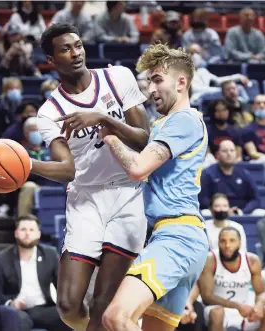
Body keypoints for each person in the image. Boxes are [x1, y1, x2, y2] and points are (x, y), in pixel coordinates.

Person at [32, 23, 149, 330]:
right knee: (69, 306)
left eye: (78, 45)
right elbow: (67, 170)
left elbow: (144, 140)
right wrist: (25, 165)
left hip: (128, 193)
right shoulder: (49, 112)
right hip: (85, 198)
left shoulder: (117, 77)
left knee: (101, 305)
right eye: (65, 49)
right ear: (51, 61)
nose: (75, 53)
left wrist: (102, 117)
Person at [101, 43, 209, 331]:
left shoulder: (183, 120)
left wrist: (109, 136)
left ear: (182, 82)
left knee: (116, 317)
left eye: (158, 79)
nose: (151, 89)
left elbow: (137, 169)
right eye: (148, 81)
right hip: (178, 236)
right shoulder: (165, 124)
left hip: (177, 237)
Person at [197, 227, 265, 331]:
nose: (227, 245)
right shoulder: (210, 259)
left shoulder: (252, 260)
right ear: (218, 243)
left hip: (244, 308)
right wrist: (237, 306)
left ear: (240, 243)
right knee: (217, 313)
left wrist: (259, 305)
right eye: (223, 241)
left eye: (232, 241)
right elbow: (207, 297)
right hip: (218, 308)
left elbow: (261, 293)